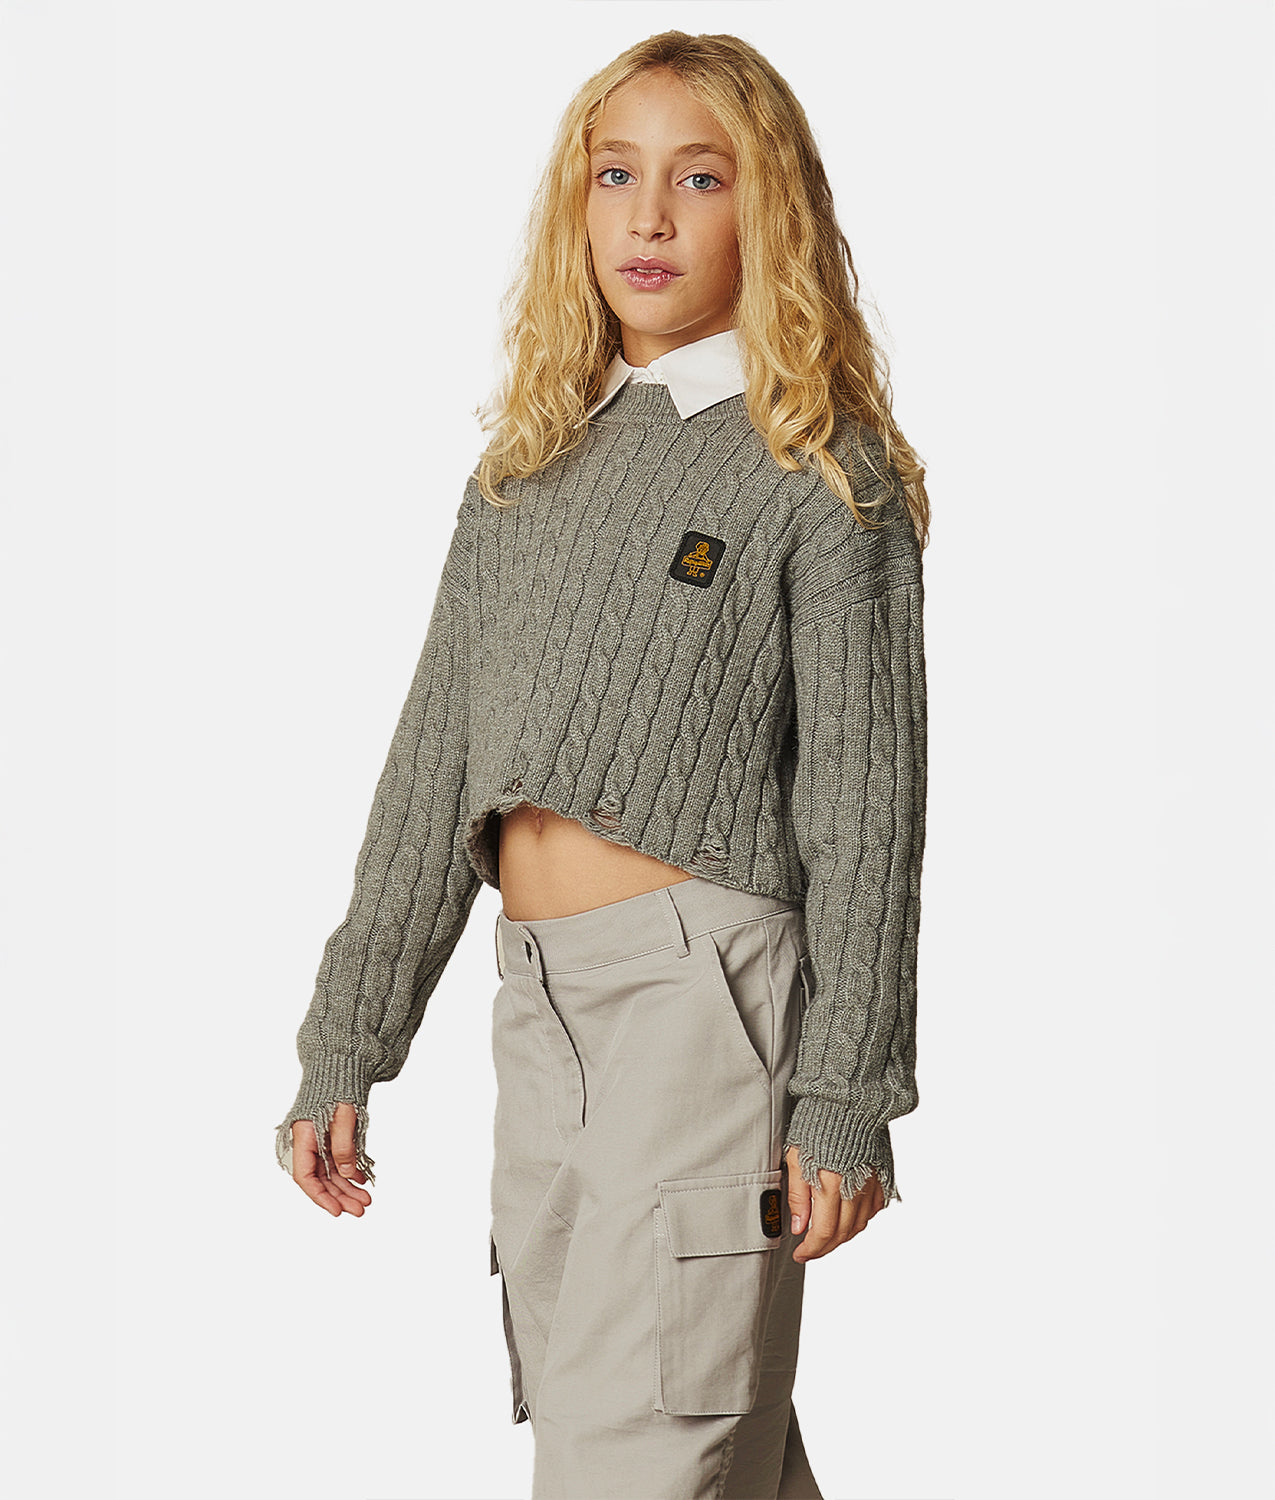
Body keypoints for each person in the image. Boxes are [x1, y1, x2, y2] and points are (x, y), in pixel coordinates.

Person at [274, 29, 930, 1500]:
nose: (649, 215)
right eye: (615, 174)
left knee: (641, 1440)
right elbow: (435, 765)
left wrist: (849, 1089)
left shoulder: (815, 466)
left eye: (700, 179)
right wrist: (347, 1039)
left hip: (704, 1004)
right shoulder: (528, 466)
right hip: (540, 1008)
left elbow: (865, 811)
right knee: (670, 1429)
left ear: (769, 210)